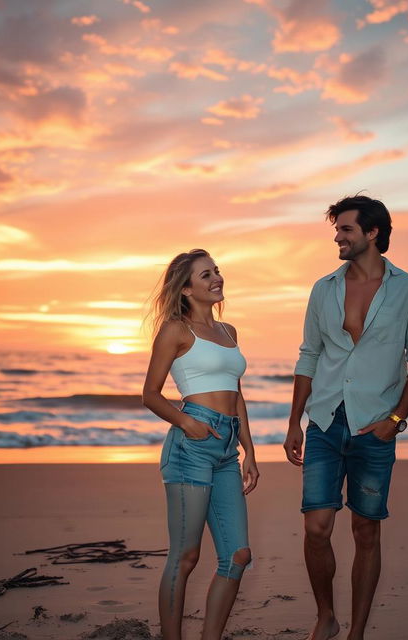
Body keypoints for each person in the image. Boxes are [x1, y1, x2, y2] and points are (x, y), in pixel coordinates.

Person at [284, 195, 408, 640]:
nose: (337, 237)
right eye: (337, 229)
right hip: (326, 421)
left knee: (366, 530)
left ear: (373, 233)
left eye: (346, 229)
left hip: (375, 427)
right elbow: (309, 356)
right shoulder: (323, 288)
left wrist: (396, 419)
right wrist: (295, 422)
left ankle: (357, 632)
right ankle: (326, 615)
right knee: (316, 526)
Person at [142, 249, 259, 640]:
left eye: (217, 271)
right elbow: (151, 394)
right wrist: (186, 422)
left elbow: (236, 395)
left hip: (227, 448)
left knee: (238, 556)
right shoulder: (176, 331)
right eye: (205, 274)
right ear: (187, 289)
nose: (216, 278)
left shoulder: (229, 332)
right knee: (186, 556)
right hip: (191, 446)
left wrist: (250, 452)